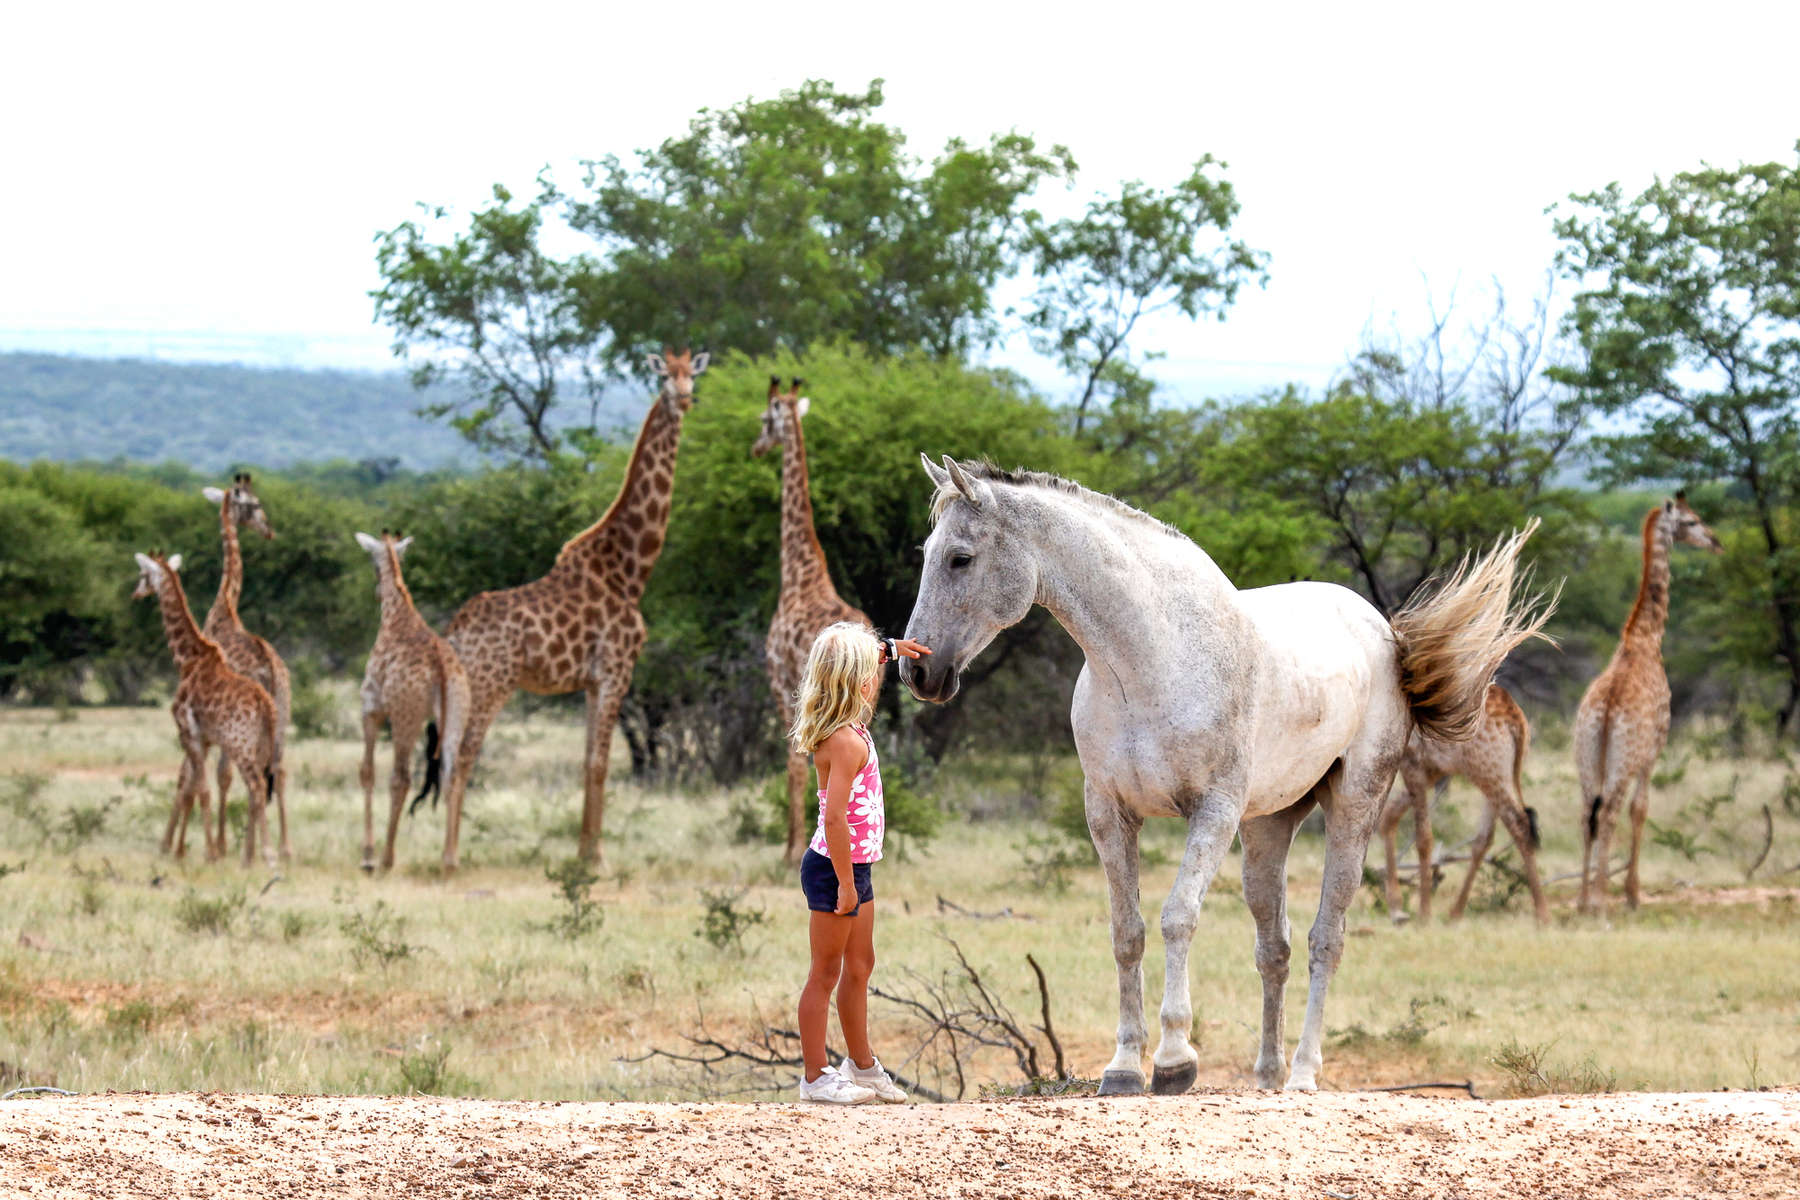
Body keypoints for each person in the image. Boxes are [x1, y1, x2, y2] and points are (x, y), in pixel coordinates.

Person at [789, 622, 930, 1104]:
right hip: (835, 868)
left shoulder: (850, 728)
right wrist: (847, 885)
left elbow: (857, 654)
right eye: (871, 668)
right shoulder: (845, 741)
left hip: (856, 867)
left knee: (861, 965)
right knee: (824, 973)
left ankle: (862, 1066)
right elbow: (833, 820)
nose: (878, 673)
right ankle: (814, 1078)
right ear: (857, 681)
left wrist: (891, 648)